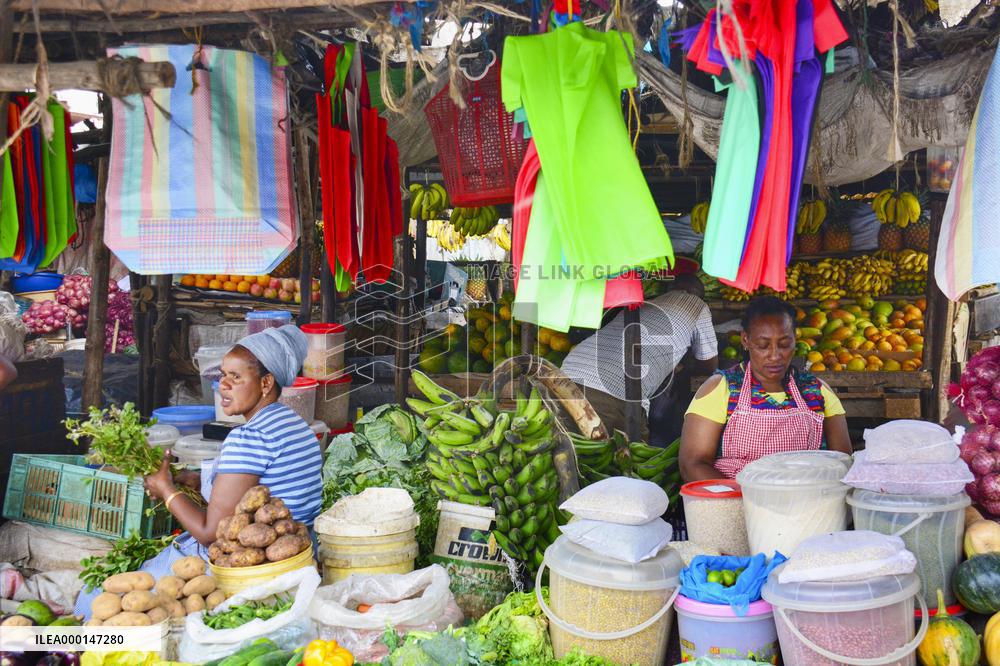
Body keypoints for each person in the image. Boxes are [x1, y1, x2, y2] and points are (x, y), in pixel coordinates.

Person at [75, 325, 324, 617]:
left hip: (246, 565)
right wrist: (193, 481)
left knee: (91, 599)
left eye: (236, 377)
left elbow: (209, 534)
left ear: (267, 383)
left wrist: (165, 490)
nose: (223, 385)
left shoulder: (249, 438)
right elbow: (257, 491)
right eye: (222, 375)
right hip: (298, 553)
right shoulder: (296, 425)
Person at [680, 296, 852, 481]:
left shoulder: (817, 391)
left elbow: (842, 463)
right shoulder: (721, 389)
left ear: (795, 339)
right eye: (763, 345)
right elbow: (692, 464)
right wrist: (749, 496)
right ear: (745, 340)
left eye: (784, 344)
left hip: (805, 502)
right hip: (737, 502)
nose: (774, 355)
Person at [561, 274, 718, 441]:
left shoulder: (638, 302)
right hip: (612, 394)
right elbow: (708, 365)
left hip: (565, 375)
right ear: (699, 295)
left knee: (560, 445)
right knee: (627, 457)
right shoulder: (696, 305)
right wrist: (684, 381)